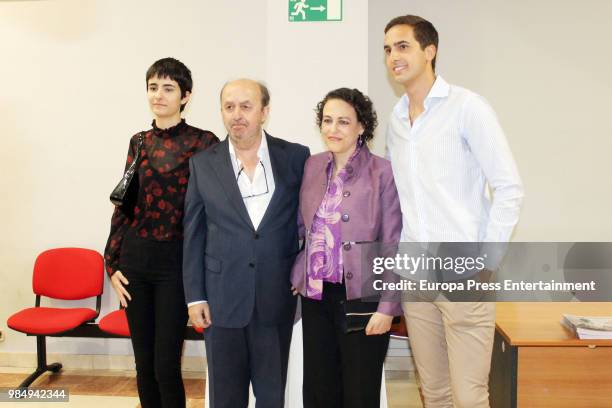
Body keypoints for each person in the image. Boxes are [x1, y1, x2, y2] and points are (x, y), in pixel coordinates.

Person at [383, 15, 524, 408]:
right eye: (388, 49)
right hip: (416, 272)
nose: (394, 56)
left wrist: (488, 260)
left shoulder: (467, 107)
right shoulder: (395, 120)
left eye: (403, 46)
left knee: (470, 394)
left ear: (430, 51)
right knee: (435, 392)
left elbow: (509, 187)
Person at [182, 78, 310, 408]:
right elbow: (193, 234)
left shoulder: (295, 157)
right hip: (221, 301)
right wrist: (194, 297)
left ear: (264, 112)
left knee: (271, 397)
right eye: (229, 107)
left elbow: (312, 222)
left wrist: (303, 267)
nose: (237, 115)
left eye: (246, 106)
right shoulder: (202, 164)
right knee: (225, 399)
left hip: (275, 297)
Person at [104, 57, 219, 408]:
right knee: (143, 364)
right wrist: (112, 262)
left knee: (166, 364)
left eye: (168, 88)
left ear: (185, 95)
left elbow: (212, 211)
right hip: (136, 259)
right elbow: (125, 204)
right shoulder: (138, 141)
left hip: (176, 262)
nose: (159, 95)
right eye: (153, 87)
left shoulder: (204, 142)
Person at [290, 88, 403, 408]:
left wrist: (387, 307)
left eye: (343, 122)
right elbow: (303, 228)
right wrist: (297, 271)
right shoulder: (312, 166)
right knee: (319, 388)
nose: (332, 129)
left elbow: (393, 243)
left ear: (361, 127)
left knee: (359, 390)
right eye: (327, 121)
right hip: (316, 296)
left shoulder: (383, 172)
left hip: (363, 296)